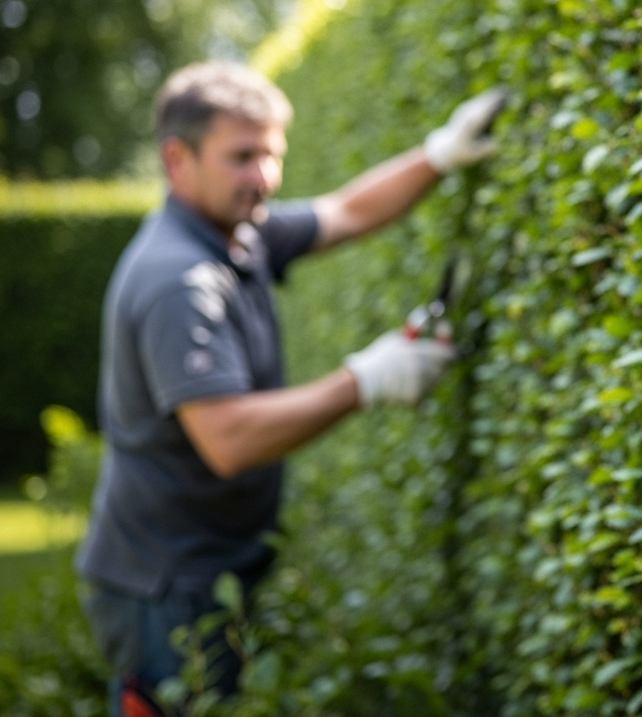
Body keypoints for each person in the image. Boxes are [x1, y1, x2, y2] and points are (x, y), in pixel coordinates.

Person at [74, 61, 505, 716]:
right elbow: (228, 438)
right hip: (163, 587)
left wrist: (439, 155)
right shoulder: (178, 280)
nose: (264, 179)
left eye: (272, 155)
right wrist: (366, 381)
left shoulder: (236, 233)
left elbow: (345, 212)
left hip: (201, 567)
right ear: (176, 160)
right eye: (242, 157)